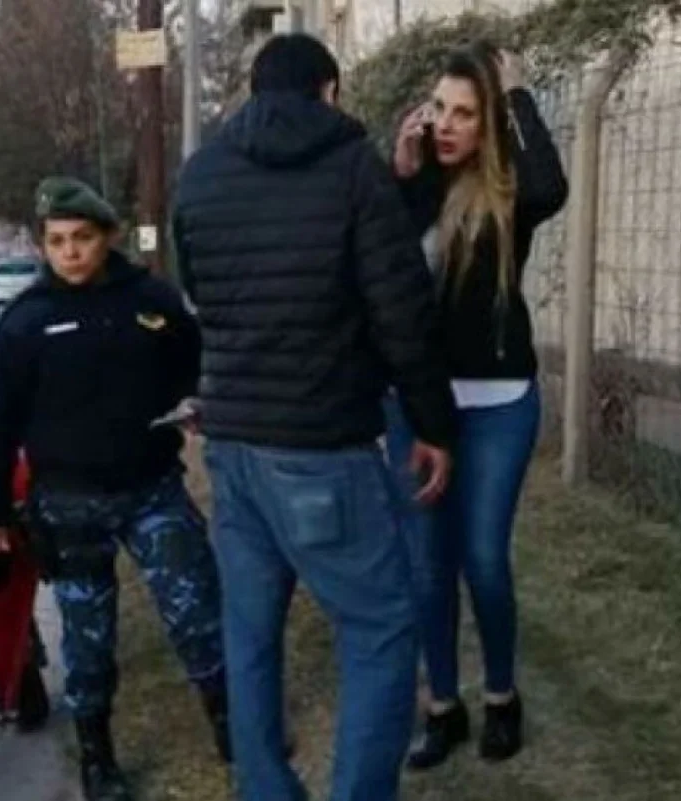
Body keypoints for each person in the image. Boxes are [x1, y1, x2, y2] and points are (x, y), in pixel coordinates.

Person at [171, 33, 458, 801]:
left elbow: (196, 288)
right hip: (320, 442)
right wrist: (434, 424)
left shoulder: (200, 173)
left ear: (254, 90)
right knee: (380, 628)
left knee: (249, 630)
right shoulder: (353, 166)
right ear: (328, 90)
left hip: (233, 443)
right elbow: (401, 312)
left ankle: (266, 788)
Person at [0, 176, 230, 801]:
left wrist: (197, 402)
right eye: (57, 241)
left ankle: (229, 722)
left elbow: (196, 367)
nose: (71, 252)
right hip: (69, 506)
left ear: (107, 236)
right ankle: (96, 756)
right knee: (88, 639)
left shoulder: (153, 300)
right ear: (44, 245)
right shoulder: (24, 322)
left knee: (197, 612)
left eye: (82, 238)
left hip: (152, 491)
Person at [383, 44, 569, 770]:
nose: (448, 123)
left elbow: (552, 187)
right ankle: (443, 706)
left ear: (488, 123)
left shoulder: (507, 193)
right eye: (440, 108)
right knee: (427, 567)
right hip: (418, 405)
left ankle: (500, 696)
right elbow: (387, 271)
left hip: (499, 405)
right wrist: (402, 174)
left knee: (484, 557)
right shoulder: (416, 184)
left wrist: (517, 95)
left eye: (466, 112)